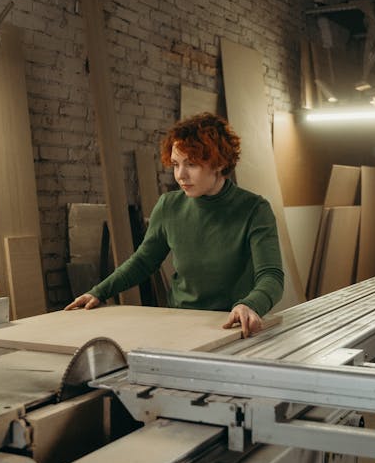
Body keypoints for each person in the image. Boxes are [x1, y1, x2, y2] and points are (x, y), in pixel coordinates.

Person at [65, 112, 284, 337]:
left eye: (192, 164)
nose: (180, 175)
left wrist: (250, 305)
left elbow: (271, 276)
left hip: (232, 324)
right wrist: (99, 292)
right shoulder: (169, 206)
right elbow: (143, 261)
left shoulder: (254, 209)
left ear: (219, 163)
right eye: (176, 164)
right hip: (182, 322)